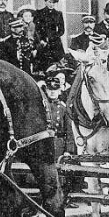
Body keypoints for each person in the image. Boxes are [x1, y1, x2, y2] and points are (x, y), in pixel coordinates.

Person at [43, 70, 79, 208]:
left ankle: (61, 202)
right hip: (46, 143)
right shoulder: (42, 106)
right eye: (50, 90)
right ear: (46, 90)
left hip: (58, 143)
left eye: (55, 90)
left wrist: (68, 150)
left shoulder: (63, 108)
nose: (52, 93)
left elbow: (69, 132)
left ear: (59, 91)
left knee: (60, 174)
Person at [34, 0, 66, 73]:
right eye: (50, 2)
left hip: (55, 43)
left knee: (57, 66)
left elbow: (61, 30)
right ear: (45, 1)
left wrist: (53, 37)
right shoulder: (39, 13)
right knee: (41, 64)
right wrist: (41, 40)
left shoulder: (58, 14)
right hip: (42, 42)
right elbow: (36, 29)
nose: (51, 4)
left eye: (54, 3)